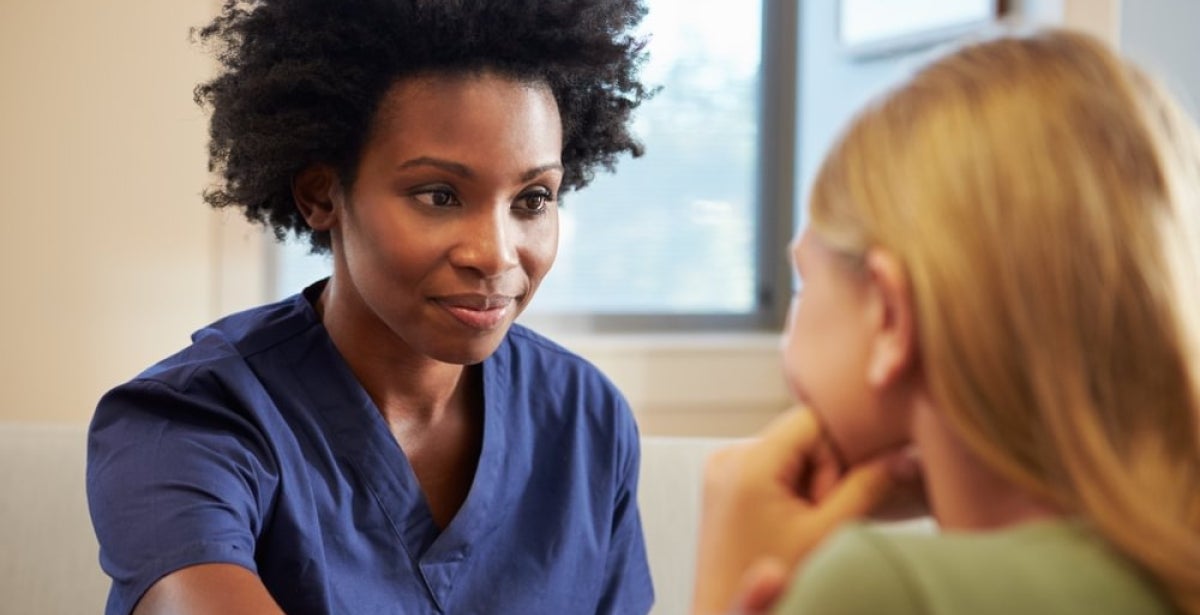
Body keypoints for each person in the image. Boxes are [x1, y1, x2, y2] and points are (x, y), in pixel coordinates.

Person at [86, 1, 656, 613]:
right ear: (320, 195)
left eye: (533, 199)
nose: (495, 255)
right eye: (439, 195)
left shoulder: (584, 418)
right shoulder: (186, 423)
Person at [694, 28, 1200, 615]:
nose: (789, 348)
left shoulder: (878, 587)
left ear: (890, 317)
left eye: (805, 287)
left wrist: (726, 587)